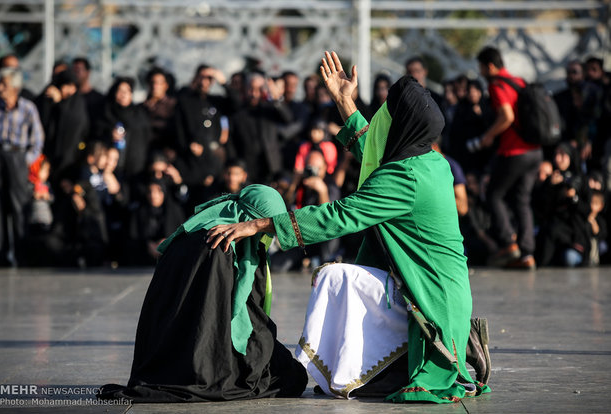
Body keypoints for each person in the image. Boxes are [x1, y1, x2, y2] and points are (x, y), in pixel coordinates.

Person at [208, 51, 491, 404]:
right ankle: (360, 369)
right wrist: (344, 100)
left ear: (402, 125)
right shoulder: (432, 162)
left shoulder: (403, 177)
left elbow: (340, 215)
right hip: (437, 289)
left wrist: (262, 224)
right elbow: (374, 152)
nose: (382, 117)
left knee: (333, 276)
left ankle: (312, 369)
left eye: (388, 112)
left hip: (427, 297)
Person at [98, 184, 307, 402]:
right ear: (249, 220)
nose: (261, 236)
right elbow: (211, 322)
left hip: (162, 349)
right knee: (290, 376)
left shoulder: (198, 230)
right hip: (198, 356)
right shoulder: (221, 245)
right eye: (261, 227)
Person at [476, 46, 542, 269]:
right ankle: (527, 254)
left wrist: (488, 136)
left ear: (490, 66)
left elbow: (507, 115)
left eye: (481, 68)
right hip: (535, 151)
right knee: (522, 199)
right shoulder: (518, 81)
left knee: (494, 194)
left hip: (515, 152)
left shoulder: (497, 85)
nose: (481, 72)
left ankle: (508, 244)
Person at [0, 67, 44, 266]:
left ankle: (23, 254)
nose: (0, 87)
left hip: (17, 157)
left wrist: (26, 160)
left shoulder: (27, 108)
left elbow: (37, 139)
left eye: (4, 84)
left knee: (19, 205)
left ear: (14, 87)